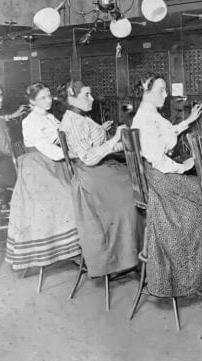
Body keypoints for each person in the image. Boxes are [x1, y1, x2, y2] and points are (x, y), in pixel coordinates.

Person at [130, 74, 202, 298]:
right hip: (160, 177)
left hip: (156, 175)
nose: (166, 94)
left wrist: (188, 121)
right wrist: (184, 166)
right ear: (147, 92)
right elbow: (158, 157)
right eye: (161, 90)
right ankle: (195, 275)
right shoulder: (145, 119)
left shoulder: (149, 114)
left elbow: (165, 134)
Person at [58, 80, 141, 278]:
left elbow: (98, 148)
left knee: (139, 183)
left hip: (99, 170)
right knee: (138, 194)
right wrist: (115, 139)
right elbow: (88, 157)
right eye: (87, 94)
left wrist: (130, 144)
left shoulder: (80, 118)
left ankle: (132, 255)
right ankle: (128, 258)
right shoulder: (73, 121)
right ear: (72, 96)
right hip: (91, 174)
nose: (92, 98)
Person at [5, 82, 80, 271]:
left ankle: (81, 246)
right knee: (68, 196)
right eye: (42, 98)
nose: (48, 101)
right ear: (32, 101)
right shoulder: (30, 121)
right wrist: (71, 153)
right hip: (39, 165)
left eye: (49, 96)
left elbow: (61, 136)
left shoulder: (49, 116)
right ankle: (72, 248)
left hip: (53, 162)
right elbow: (48, 149)